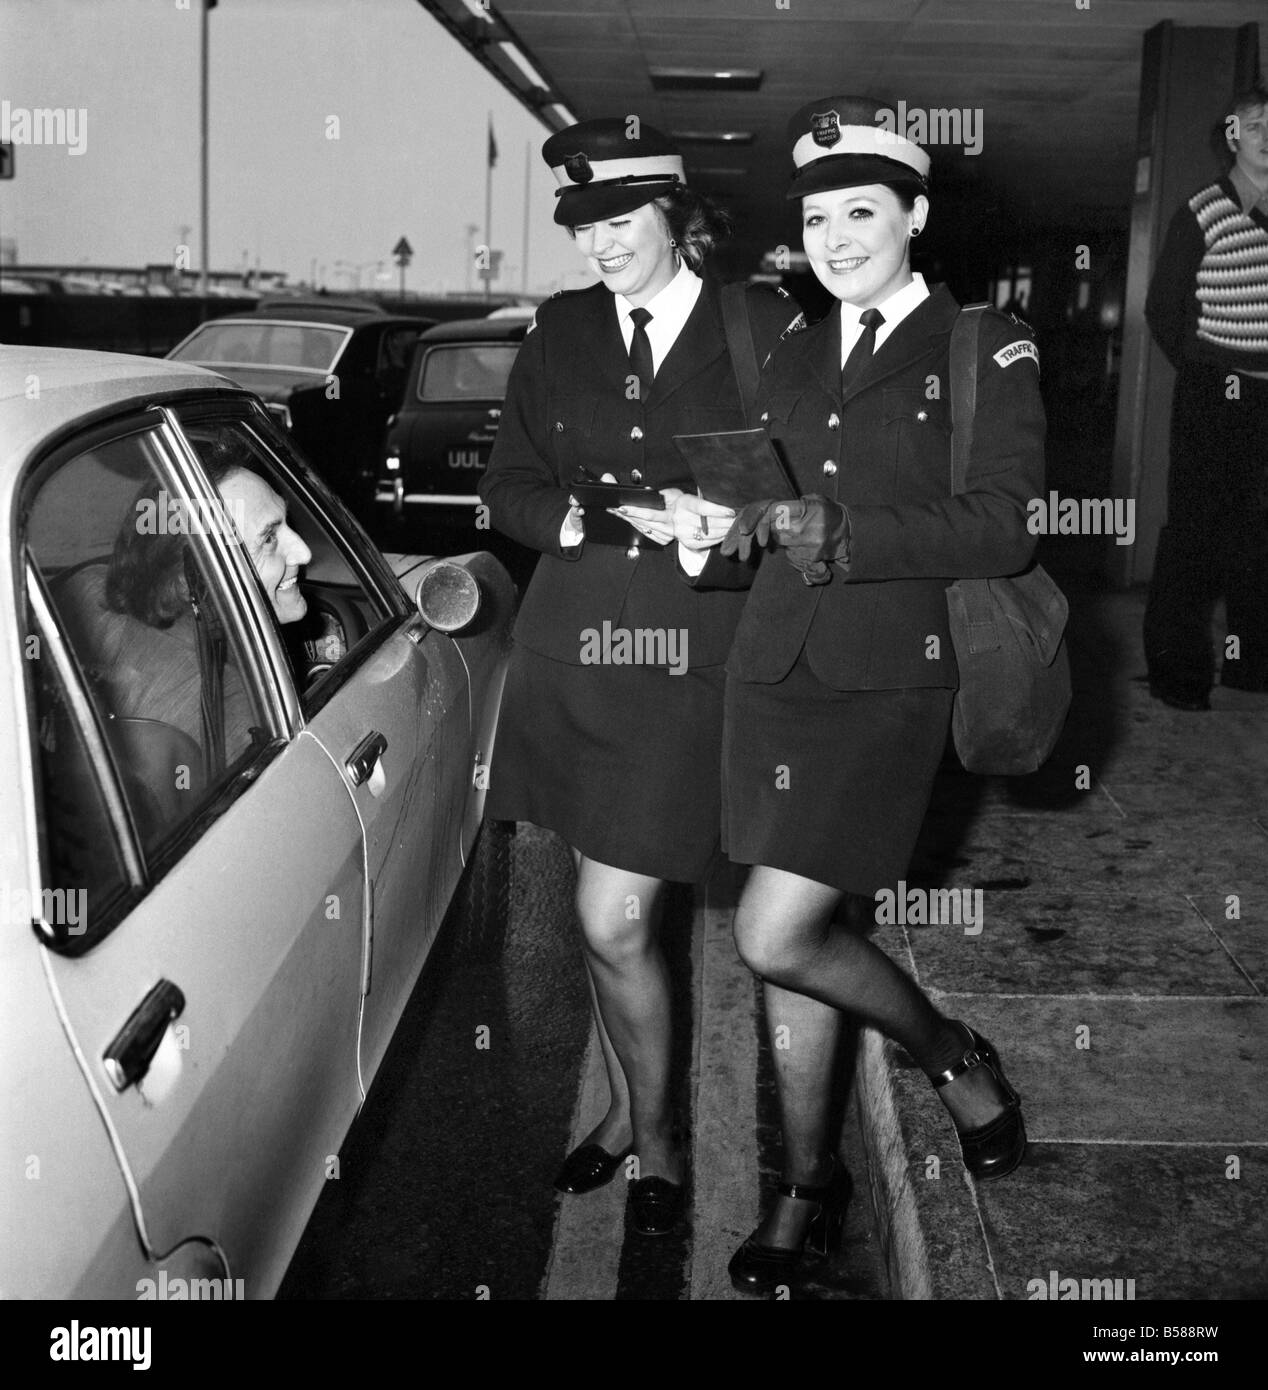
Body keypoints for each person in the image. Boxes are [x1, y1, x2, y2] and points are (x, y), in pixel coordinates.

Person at [688, 95, 1043, 1292]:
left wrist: (839, 531)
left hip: (887, 680)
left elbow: (1001, 522)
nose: (834, 238)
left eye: (859, 213)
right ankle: (806, 1184)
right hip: (772, 672)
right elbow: (773, 504)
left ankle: (948, 1053)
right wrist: (711, 526)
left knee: (772, 931)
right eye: (816, 218)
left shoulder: (978, 344)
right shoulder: (793, 343)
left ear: (913, 217)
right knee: (799, 946)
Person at [477, 118, 801, 1236]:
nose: (596, 247)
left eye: (617, 223)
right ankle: (624, 1107)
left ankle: (654, 1140)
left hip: (683, 650)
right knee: (603, 917)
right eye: (581, 227)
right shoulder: (561, 328)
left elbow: (801, 501)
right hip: (568, 650)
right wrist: (567, 516)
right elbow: (505, 483)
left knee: (610, 916)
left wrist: (717, 523)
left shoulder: (755, 320)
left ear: (678, 215)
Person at [1143, 84, 1268, 711]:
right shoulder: (1203, 209)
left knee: (1261, 533)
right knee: (1195, 532)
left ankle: (1253, 670)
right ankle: (1179, 676)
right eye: (1256, 124)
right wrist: (1209, 371)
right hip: (1214, 394)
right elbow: (1164, 309)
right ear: (1232, 136)